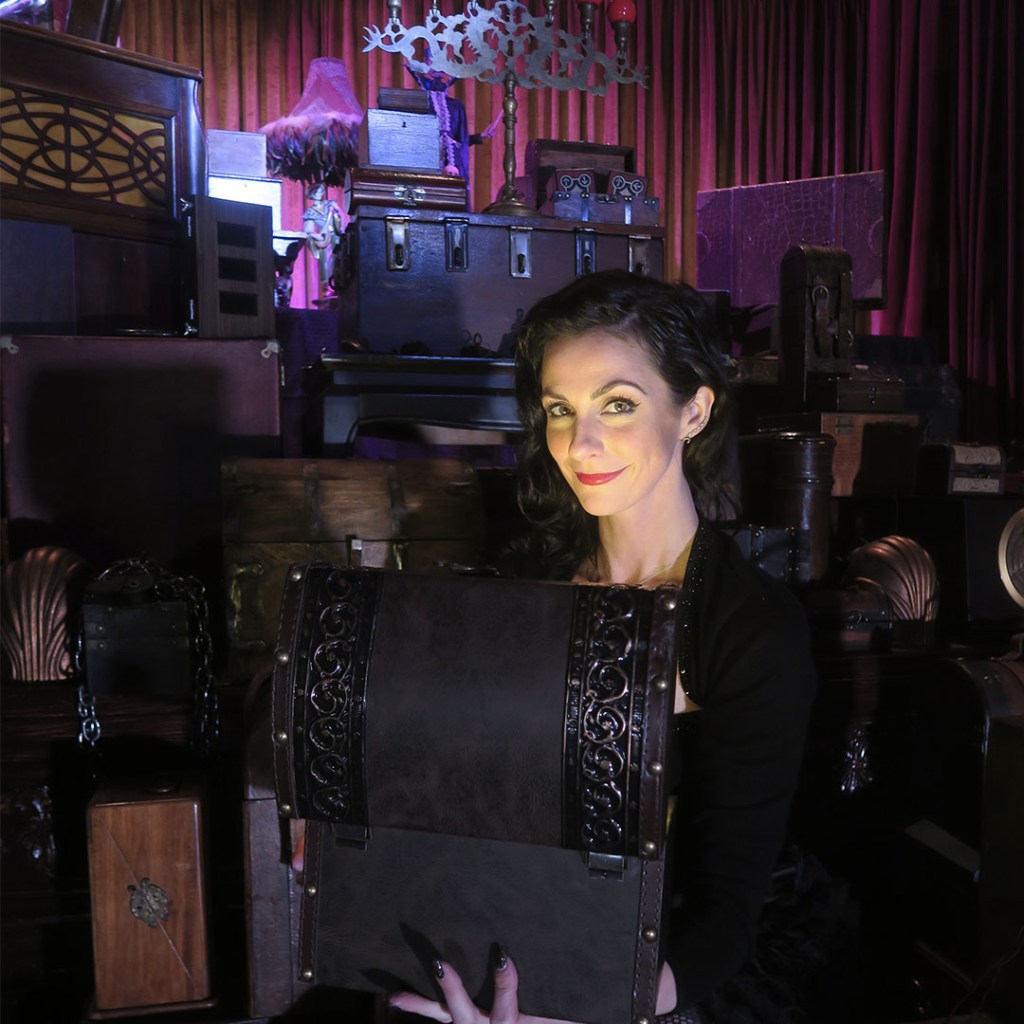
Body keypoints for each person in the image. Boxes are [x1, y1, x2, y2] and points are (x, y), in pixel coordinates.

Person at [387, 270, 819, 1024]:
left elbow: (727, 906)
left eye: (617, 405)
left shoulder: (751, 627)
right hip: (511, 938)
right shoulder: (523, 582)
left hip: (668, 980)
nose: (580, 443)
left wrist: (586, 1007)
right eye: (561, 410)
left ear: (693, 410)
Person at [303, 181, 344, 300]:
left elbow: (340, 219)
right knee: (325, 265)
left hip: (336, 237)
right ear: (311, 194)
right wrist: (318, 237)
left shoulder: (329, 205)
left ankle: (339, 287)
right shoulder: (310, 212)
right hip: (324, 241)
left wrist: (337, 211)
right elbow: (308, 231)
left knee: (338, 260)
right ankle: (327, 290)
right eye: (315, 192)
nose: (318, 194)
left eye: (320, 191)